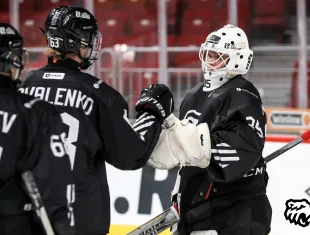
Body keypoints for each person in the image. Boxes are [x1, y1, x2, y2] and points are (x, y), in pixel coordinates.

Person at [18, 6, 174, 235]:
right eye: (88, 38)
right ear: (73, 42)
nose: (91, 44)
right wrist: (152, 113)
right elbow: (131, 154)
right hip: (80, 218)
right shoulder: (97, 94)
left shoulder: (22, 87)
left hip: (27, 216)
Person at [148, 24, 272, 235]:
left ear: (238, 59)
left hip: (235, 211)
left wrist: (183, 136)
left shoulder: (243, 95)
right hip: (201, 211)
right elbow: (187, 157)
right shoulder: (194, 95)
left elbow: (237, 153)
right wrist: (181, 193)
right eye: (208, 54)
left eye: (217, 56)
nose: (209, 61)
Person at [0, 23, 74, 235]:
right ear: (5, 59)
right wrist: (62, 226)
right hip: (10, 223)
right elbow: (55, 181)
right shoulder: (34, 110)